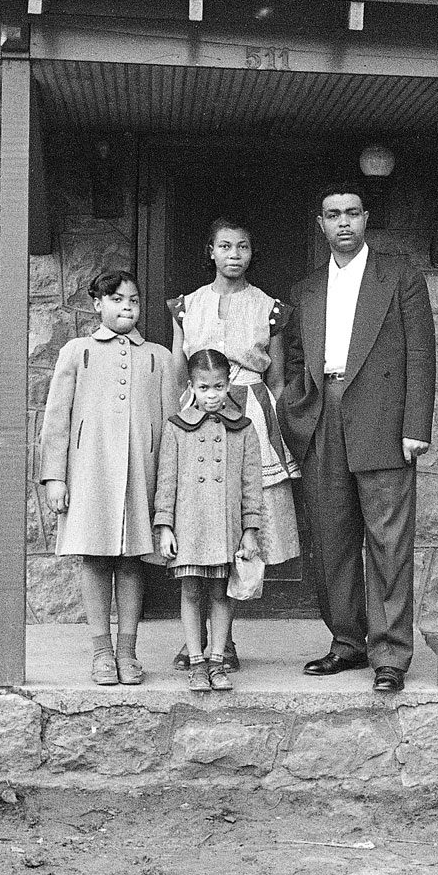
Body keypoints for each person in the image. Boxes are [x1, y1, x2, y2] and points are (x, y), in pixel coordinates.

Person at [278, 187, 436, 693]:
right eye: (332, 215)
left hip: (385, 421)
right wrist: (296, 413)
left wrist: (416, 426)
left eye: (351, 213)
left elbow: (421, 354)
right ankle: (347, 642)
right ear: (319, 224)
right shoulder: (306, 288)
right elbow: (299, 358)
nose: (342, 223)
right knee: (331, 538)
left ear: (366, 218)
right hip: (324, 415)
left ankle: (389, 653)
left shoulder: (399, 275)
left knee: (388, 539)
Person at [167, 216, 300, 669]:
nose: (234, 255)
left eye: (242, 246)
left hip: (249, 416)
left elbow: (278, 380)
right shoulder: (187, 306)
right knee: (198, 520)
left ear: (251, 252)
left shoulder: (269, 308)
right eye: (225, 246)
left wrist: (276, 434)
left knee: (239, 525)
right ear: (211, 251)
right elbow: (177, 373)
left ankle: (225, 641)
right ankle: (195, 640)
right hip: (196, 416)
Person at [41, 269, 178, 686]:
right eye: (117, 300)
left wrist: (169, 486)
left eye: (133, 300)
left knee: (135, 557)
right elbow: (56, 419)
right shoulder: (77, 351)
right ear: (98, 304)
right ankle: (101, 651)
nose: (126, 307)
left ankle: (127, 651)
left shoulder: (158, 356)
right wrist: (54, 477)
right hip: (89, 473)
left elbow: (172, 426)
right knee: (96, 556)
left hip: (142, 471)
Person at [154, 349, 262, 692]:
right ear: (192, 387)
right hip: (189, 527)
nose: (212, 395)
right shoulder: (176, 428)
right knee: (190, 591)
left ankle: (218, 660)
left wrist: (249, 530)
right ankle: (197, 662)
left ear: (228, 384)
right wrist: (165, 526)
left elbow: (251, 484)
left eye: (218, 386)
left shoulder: (243, 429)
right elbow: (166, 480)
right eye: (203, 388)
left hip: (224, 527)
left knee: (220, 592)